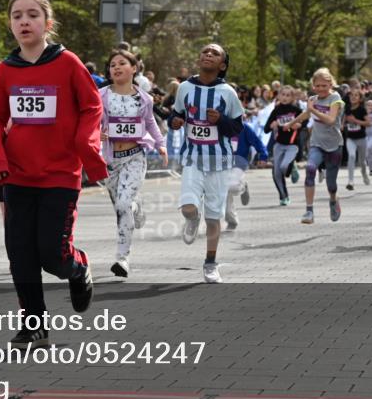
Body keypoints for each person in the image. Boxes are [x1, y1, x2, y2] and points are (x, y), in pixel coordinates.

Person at [0, 0, 106, 349]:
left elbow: (91, 107)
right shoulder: (6, 70)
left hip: (59, 176)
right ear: (10, 24)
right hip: (17, 175)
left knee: (53, 256)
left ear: (47, 22)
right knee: (20, 254)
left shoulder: (68, 63)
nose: (24, 21)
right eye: (17, 15)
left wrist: (86, 147)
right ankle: (34, 325)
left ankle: (79, 265)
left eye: (32, 15)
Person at [168, 43, 244, 284]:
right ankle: (191, 219)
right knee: (189, 205)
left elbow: (237, 127)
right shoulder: (185, 88)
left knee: (214, 216)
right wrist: (176, 121)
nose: (208, 54)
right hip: (192, 156)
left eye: (215, 53)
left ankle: (210, 263)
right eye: (204, 51)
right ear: (199, 59)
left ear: (222, 65)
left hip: (219, 160)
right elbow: (175, 114)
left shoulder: (228, 92)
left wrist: (220, 120)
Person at [98, 49, 167, 278]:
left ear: (134, 68)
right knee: (121, 207)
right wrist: (97, 134)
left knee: (122, 205)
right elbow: (90, 122)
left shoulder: (144, 98)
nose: (116, 67)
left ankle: (122, 258)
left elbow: (150, 123)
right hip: (109, 161)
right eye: (112, 64)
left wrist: (161, 144)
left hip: (135, 156)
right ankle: (136, 207)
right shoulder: (101, 95)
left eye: (121, 63)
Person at [291, 68, 344, 224]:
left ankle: (334, 200)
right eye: (317, 85)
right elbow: (306, 114)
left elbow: (330, 120)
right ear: (313, 86)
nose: (320, 88)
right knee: (310, 168)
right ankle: (309, 211)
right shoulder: (313, 99)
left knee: (331, 185)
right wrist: (291, 123)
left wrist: (313, 109)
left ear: (330, 84)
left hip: (334, 145)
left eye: (324, 85)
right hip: (316, 144)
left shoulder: (336, 98)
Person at [224, 111, 269, 231]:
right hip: (222, 164)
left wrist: (263, 156)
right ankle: (231, 220)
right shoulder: (218, 128)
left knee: (232, 186)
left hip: (240, 162)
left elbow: (258, 143)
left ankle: (243, 186)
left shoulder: (245, 129)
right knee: (224, 191)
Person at [264, 85, 302, 205]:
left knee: (283, 166)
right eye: (283, 94)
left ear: (292, 97)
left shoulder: (296, 110)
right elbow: (266, 129)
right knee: (276, 172)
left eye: (288, 95)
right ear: (279, 96)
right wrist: (272, 125)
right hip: (279, 145)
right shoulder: (276, 111)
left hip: (292, 145)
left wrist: (299, 125)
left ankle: (292, 166)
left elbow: (305, 122)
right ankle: (283, 197)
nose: (285, 97)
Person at [343, 88, 371, 190]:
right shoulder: (347, 108)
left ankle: (364, 174)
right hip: (350, 138)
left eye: (356, 95)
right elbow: (344, 120)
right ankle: (351, 181)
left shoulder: (362, 109)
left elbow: (368, 123)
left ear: (360, 99)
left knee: (362, 162)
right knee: (351, 156)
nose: (353, 97)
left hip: (362, 139)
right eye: (351, 95)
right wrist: (343, 125)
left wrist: (355, 121)